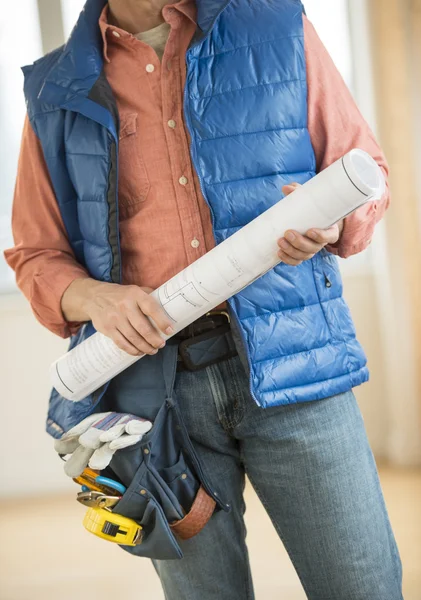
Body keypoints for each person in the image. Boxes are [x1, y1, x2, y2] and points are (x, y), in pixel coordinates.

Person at [4, 0, 403, 598]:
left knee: (361, 586)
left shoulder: (278, 26)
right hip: (155, 401)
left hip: (296, 364)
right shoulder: (55, 87)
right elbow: (37, 253)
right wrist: (99, 299)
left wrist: (333, 222)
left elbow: (364, 168)